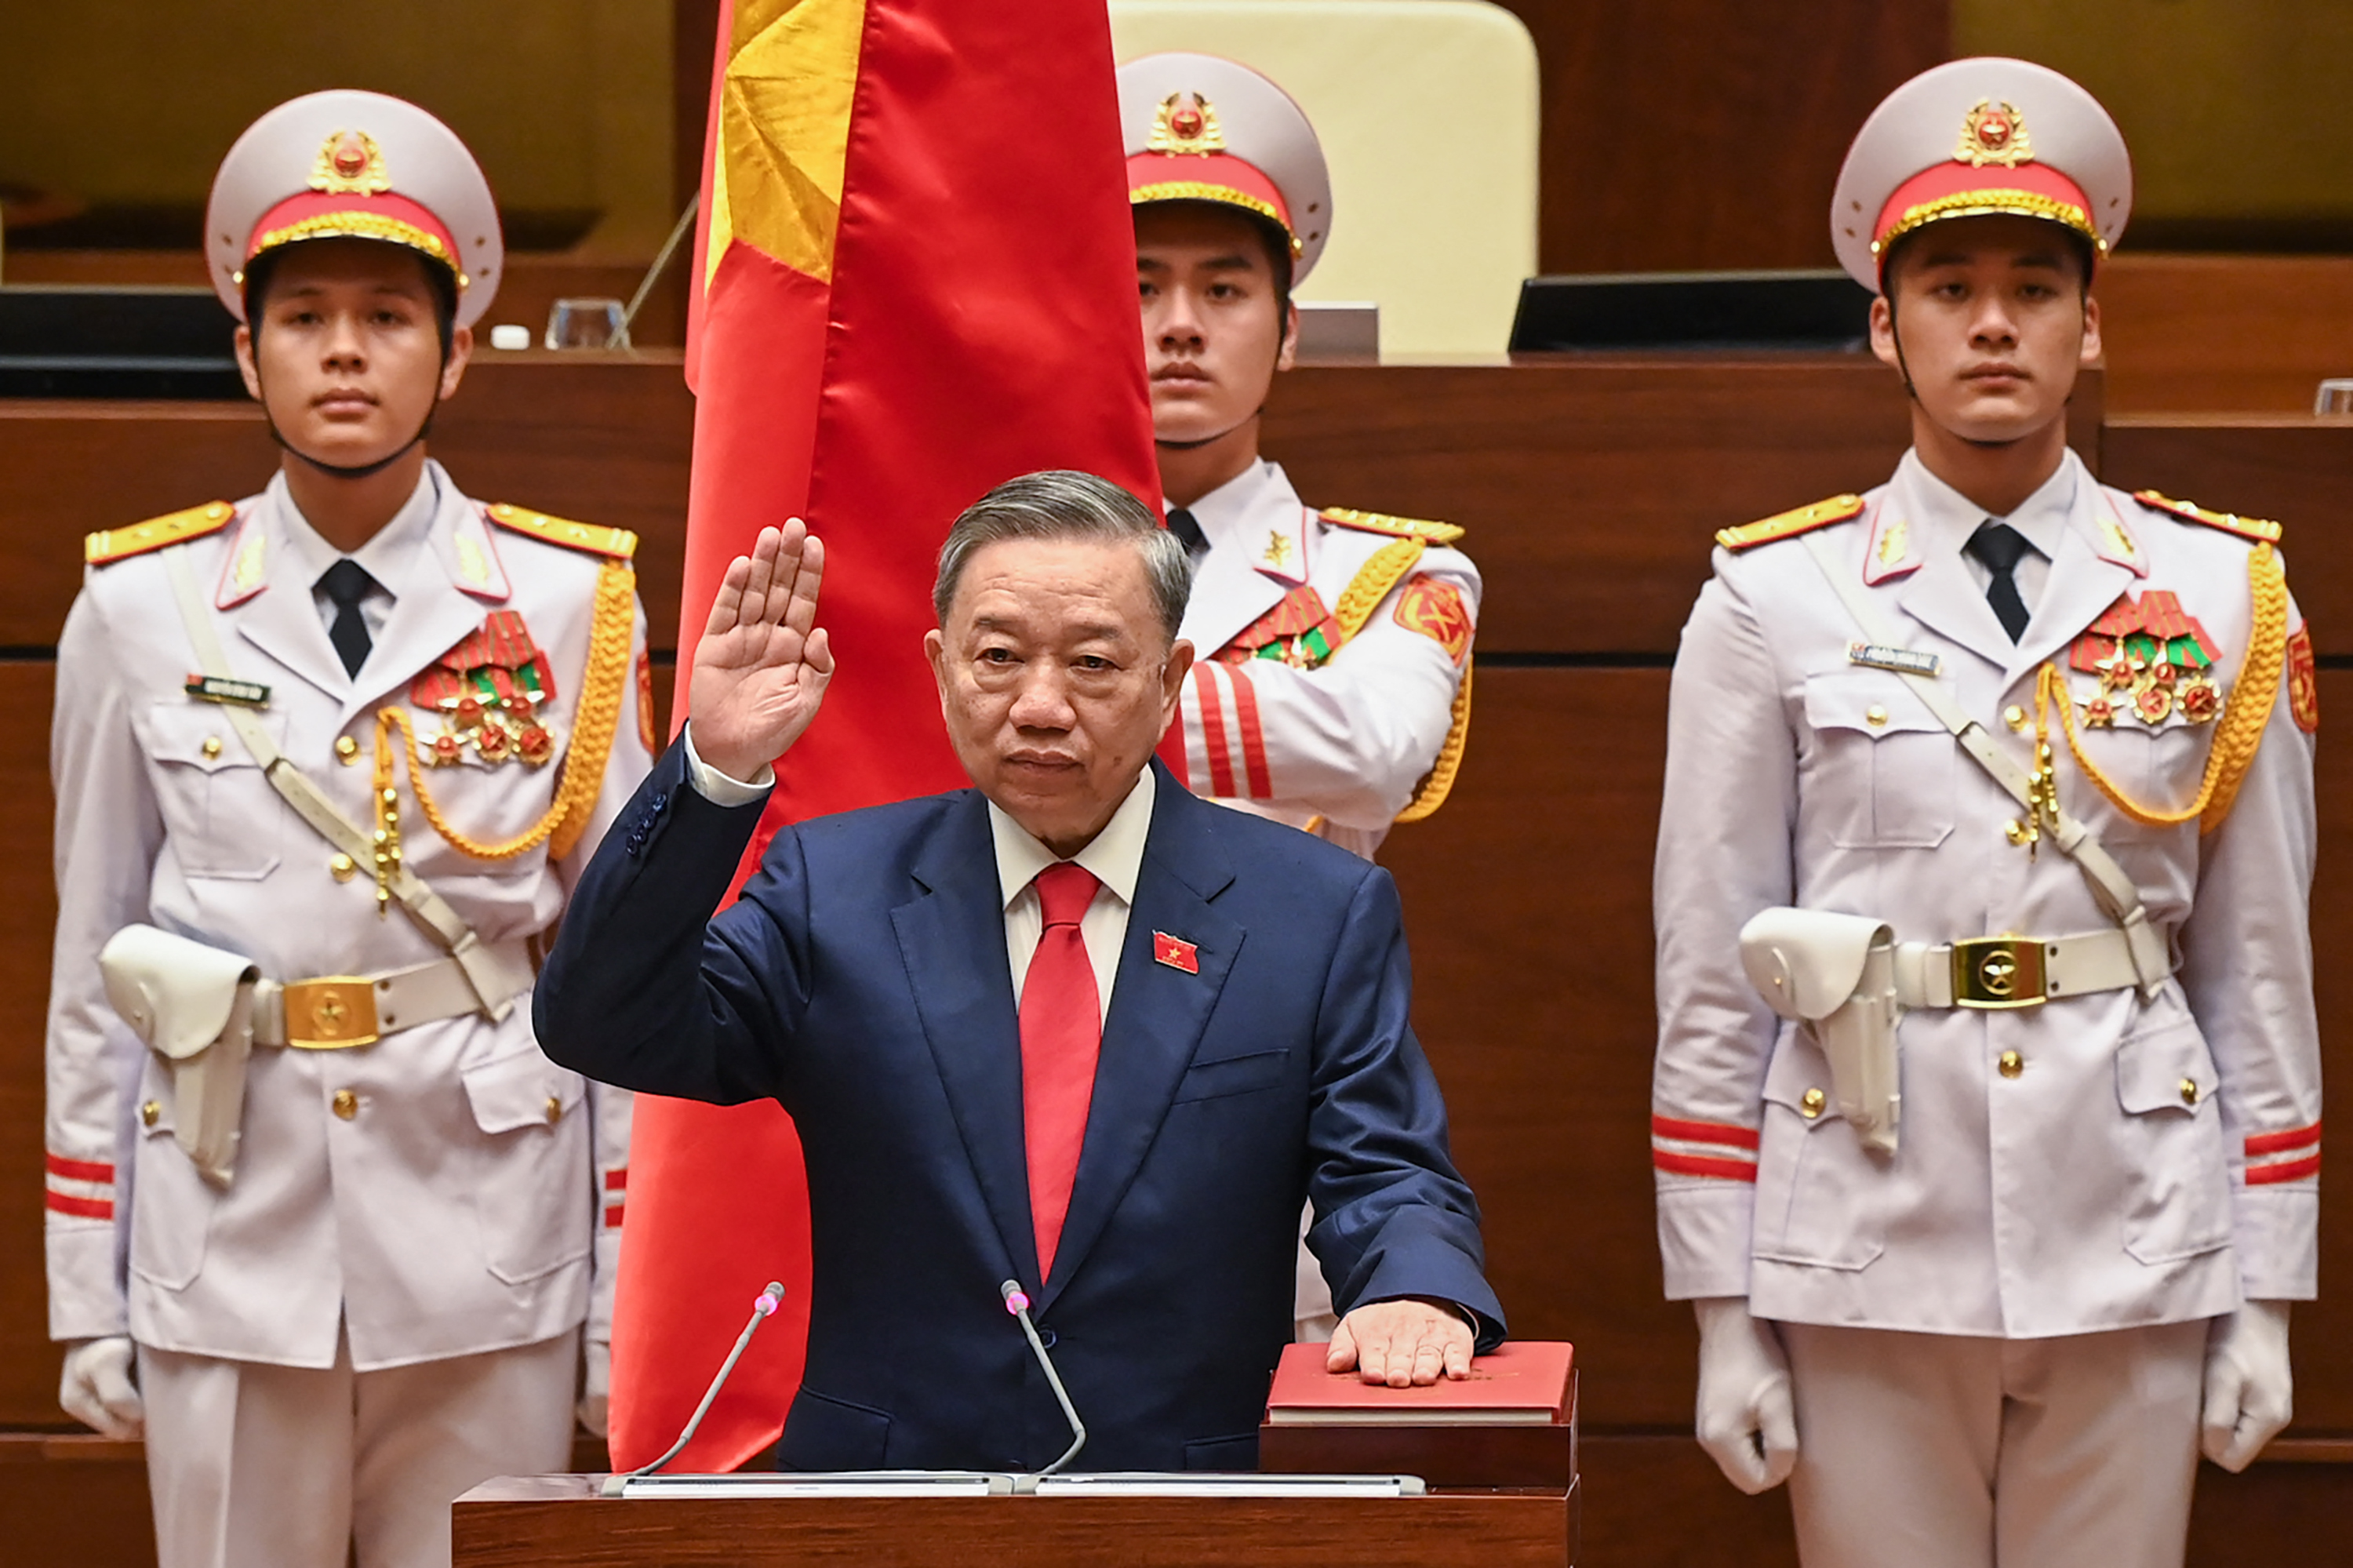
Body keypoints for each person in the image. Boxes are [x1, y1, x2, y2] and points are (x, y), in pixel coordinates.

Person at [1650, 57, 2318, 1568]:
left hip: (2134, 1216)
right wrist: (1720, 1309)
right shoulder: (1773, 597)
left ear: (2095, 322)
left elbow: (2257, 963)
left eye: (2036, 285)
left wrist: (2268, 1287)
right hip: (1867, 1217)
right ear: (1885, 325)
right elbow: (1708, 972)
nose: (1997, 321)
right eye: (1950, 285)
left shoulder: (2222, 593)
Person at [533, 471, 1504, 1472]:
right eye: (997, 658)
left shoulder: (1311, 910)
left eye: (1091, 663)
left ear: (1170, 679)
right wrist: (715, 770)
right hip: (881, 1498)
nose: (1040, 706)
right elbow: (602, 1022)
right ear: (942, 666)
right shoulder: (836, 887)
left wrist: (1412, 1290)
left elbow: (1385, 1167)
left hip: (1186, 1493)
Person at [43, 90, 653, 1568]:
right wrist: (88, 1282)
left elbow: (629, 975)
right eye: (303, 314)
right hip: (226, 1226)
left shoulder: (569, 603)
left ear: (453, 355)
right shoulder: (141, 609)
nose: (342, 349)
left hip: (493, 1231)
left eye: (388, 315)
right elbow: (93, 964)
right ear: (246, 350)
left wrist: (629, 1298)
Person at [1121, 51, 1481, 1339]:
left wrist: (1068, 690)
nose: (1179, 323)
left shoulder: (1390, 571)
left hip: (1280, 1090)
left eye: (1224, 288)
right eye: (1142, 284)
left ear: (1286, 325)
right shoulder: (994, 557)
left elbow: (1378, 749)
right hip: (1041, 1083)